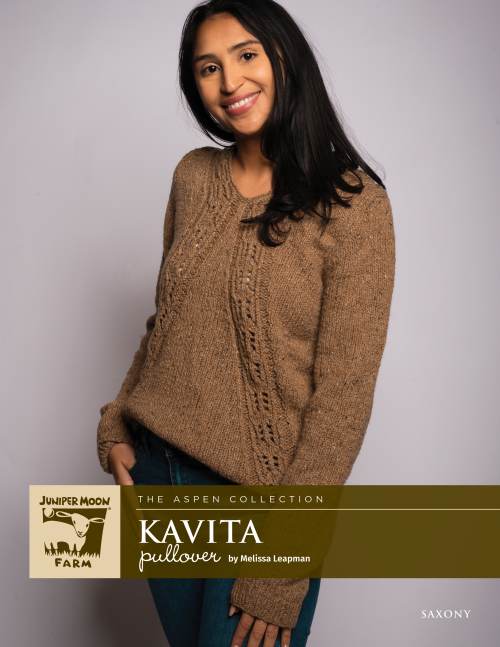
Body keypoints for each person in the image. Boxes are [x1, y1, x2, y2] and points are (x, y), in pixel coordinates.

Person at [96, 1, 396, 645]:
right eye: (208, 68)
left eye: (246, 55)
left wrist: (286, 557)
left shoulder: (353, 205)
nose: (230, 82)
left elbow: (343, 398)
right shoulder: (193, 175)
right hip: (159, 476)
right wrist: (117, 421)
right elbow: (168, 321)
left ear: (285, 56)